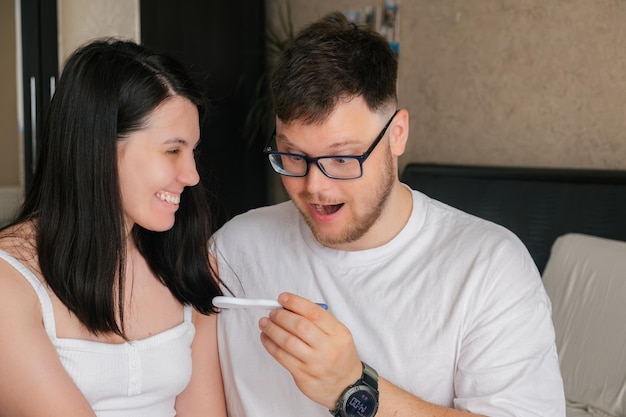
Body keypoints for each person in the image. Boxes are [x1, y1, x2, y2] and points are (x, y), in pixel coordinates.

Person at [210, 11, 566, 417]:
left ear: (397, 134)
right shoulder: (232, 250)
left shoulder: (488, 267)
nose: (314, 187)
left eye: (342, 158)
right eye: (293, 156)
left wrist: (353, 389)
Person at [0, 38, 227, 417]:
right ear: (101, 149)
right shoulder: (11, 282)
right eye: (172, 150)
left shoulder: (188, 264)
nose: (191, 175)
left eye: (193, 151)